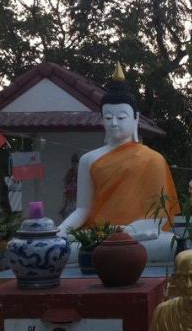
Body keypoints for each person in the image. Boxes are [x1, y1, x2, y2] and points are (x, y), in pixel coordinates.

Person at [58, 63, 179, 262]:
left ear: (135, 119)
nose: (114, 123)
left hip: (139, 235)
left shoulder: (153, 159)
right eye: (108, 117)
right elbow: (82, 209)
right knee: (66, 250)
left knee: (167, 245)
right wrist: (60, 231)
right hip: (99, 235)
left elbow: (159, 218)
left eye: (121, 117)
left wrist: (128, 231)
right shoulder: (89, 159)